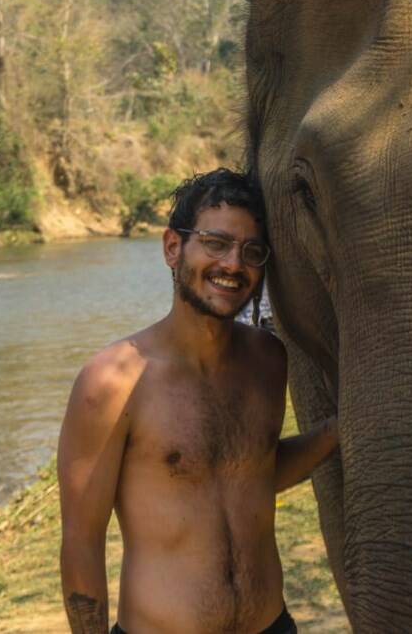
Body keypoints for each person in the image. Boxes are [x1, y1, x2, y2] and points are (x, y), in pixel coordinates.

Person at [57, 169, 338, 634]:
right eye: (215, 242)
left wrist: (336, 431)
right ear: (173, 248)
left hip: (271, 625)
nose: (233, 264)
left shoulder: (268, 360)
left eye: (252, 251)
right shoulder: (110, 382)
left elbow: (250, 472)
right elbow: (82, 542)